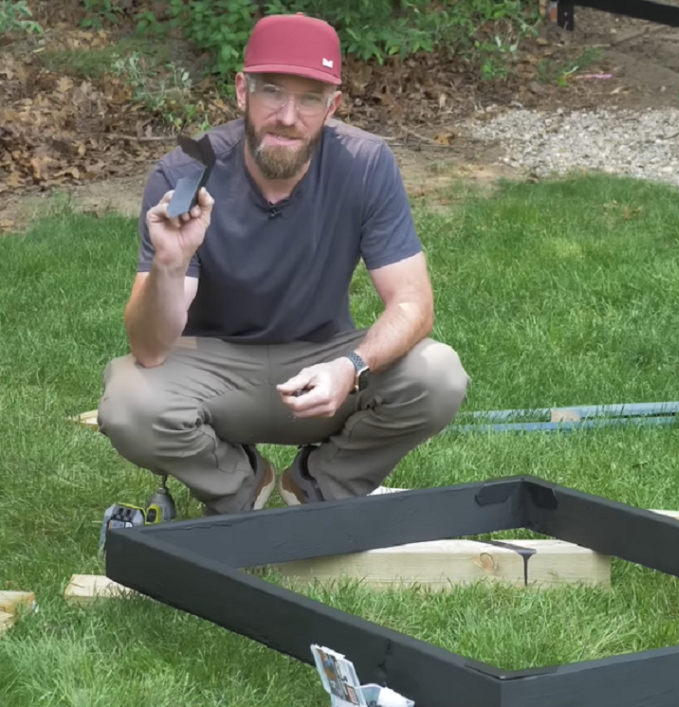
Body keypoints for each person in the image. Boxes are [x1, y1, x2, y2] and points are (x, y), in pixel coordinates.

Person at [95, 12, 471, 516]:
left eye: (310, 98)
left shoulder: (366, 163)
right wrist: (169, 260)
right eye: (272, 91)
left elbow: (413, 302)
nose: (288, 116)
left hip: (325, 359)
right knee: (128, 405)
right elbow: (148, 348)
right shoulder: (186, 172)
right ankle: (239, 487)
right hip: (214, 365)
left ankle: (316, 487)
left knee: (439, 374)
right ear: (240, 91)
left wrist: (351, 366)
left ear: (332, 105)